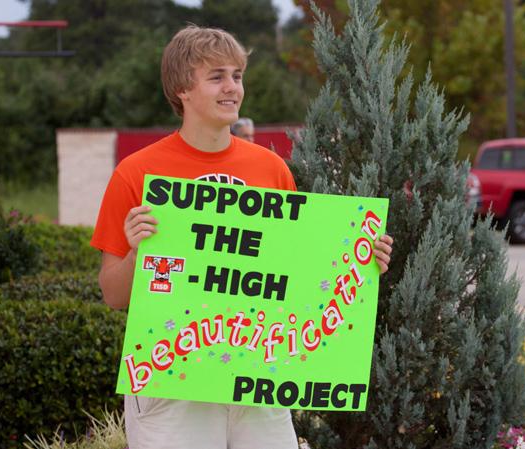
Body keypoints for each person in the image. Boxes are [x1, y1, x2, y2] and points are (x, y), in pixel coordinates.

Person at [90, 25, 394, 449]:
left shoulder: (271, 170)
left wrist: (360, 262)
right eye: (216, 77)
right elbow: (113, 294)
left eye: (237, 75)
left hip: (258, 372)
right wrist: (140, 253)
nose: (232, 87)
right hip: (176, 378)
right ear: (182, 89)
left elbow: (296, 276)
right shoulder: (137, 174)